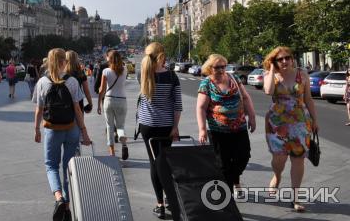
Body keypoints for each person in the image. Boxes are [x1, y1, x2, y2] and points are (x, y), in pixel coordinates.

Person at [33, 48, 92, 221]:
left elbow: (38, 110)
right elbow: (77, 110)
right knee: (68, 167)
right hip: (71, 128)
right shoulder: (72, 81)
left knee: (51, 165)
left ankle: (58, 198)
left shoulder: (42, 82)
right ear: (63, 61)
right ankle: (66, 208)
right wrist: (84, 132)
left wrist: (36, 130)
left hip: (52, 129)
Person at [263, 46, 318, 212]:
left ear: (292, 58)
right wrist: (272, 69)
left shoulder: (303, 74)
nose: (285, 61)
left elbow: (308, 98)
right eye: (280, 59)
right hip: (277, 123)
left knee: (298, 159)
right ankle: (277, 176)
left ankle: (295, 198)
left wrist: (315, 120)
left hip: (301, 122)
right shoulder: (270, 75)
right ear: (274, 61)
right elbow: (268, 91)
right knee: (279, 160)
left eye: (287, 57)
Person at [196, 54, 256, 196]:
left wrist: (252, 117)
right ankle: (227, 198)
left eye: (224, 66)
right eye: (218, 67)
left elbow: (246, 97)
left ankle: (233, 179)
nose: (222, 69)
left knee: (243, 157)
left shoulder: (233, 78)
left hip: (239, 127)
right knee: (223, 164)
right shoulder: (206, 84)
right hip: (218, 131)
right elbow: (201, 108)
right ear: (210, 68)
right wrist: (202, 129)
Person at [136, 42, 182, 219]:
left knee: (154, 163)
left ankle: (160, 204)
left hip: (147, 126)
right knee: (165, 161)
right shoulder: (172, 76)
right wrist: (175, 127)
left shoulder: (143, 73)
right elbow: (177, 105)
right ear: (162, 56)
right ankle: (170, 198)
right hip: (166, 126)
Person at [97, 49, 128, 159]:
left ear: (109, 59)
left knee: (110, 126)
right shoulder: (125, 69)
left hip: (109, 99)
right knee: (120, 126)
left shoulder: (106, 71)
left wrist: (98, 104)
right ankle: (124, 144)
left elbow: (101, 89)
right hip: (122, 100)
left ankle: (112, 152)